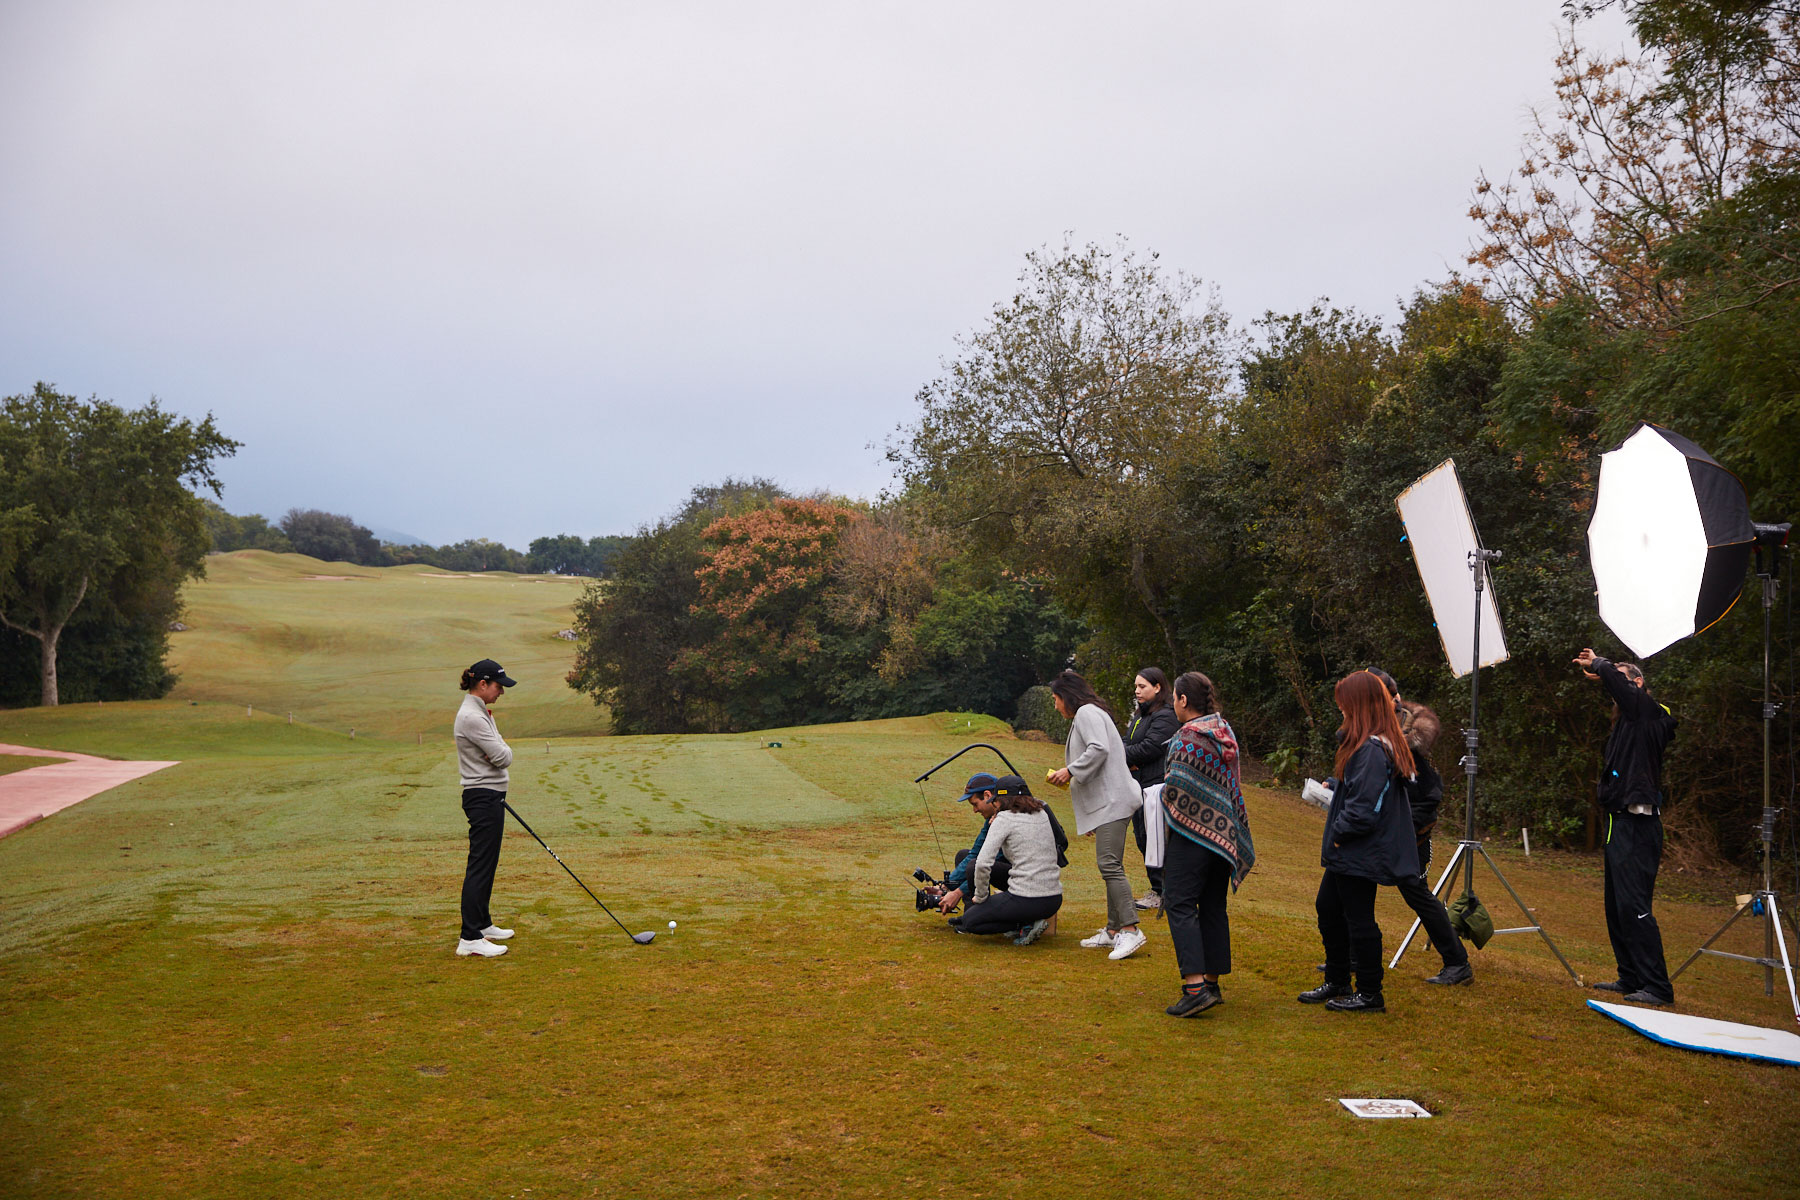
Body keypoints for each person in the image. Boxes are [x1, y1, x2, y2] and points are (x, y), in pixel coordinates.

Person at [1300, 670, 1418, 1013]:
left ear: (1360, 705)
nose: (1341, 709)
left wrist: (1339, 835)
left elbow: (1364, 809)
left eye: (1345, 703)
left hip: (1359, 848)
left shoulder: (1372, 750)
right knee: (1328, 908)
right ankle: (1338, 978)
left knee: (1359, 919)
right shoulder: (1364, 745)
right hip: (1351, 848)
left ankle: (1370, 992)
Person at [1576, 647, 1679, 1005]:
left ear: (1638, 683)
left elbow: (1628, 694)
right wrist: (1607, 676)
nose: (1615, 689)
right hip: (1617, 821)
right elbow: (1621, 693)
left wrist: (1601, 665)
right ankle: (1631, 977)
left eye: (1622, 680)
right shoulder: (1628, 721)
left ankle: (1657, 987)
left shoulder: (1650, 713)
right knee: (1617, 906)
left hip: (1639, 825)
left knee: (1635, 906)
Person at [1157, 671, 1255, 1017]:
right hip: (1224, 834)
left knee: (1180, 903)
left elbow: (1178, 787)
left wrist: (1160, 795)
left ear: (1184, 700)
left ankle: (1195, 988)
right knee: (1213, 905)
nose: (1173, 703)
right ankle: (1211, 983)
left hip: (1191, 833)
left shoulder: (1188, 737)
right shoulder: (1223, 731)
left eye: (1174, 698)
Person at [1368, 667, 1472, 987]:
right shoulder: (1375, 731)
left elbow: (1429, 793)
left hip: (1410, 829)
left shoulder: (1410, 737)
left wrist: (1408, 830)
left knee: (1417, 894)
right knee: (1354, 884)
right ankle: (1352, 957)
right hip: (1383, 826)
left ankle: (1457, 963)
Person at [1046, 670, 1147, 960]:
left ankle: (1130, 930)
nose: (1055, 705)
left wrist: (1070, 770)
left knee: (1109, 865)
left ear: (1067, 696)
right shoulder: (1091, 713)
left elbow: (1098, 749)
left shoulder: (1086, 713)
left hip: (1115, 802)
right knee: (1110, 864)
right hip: (1109, 804)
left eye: (1055, 699)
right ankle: (1113, 931)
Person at [948, 775, 1065, 944]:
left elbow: (982, 864)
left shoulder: (1004, 819)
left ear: (1002, 800)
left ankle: (1023, 924)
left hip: (1026, 898)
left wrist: (980, 899)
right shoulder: (1042, 814)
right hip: (1054, 899)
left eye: (996, 801)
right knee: (971, 867)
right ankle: (1026, 920)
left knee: (970, 922)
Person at [454, 658, 518, 958]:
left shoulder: (480, 712)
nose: (501, 692)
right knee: (480, 865)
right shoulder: (472, 717)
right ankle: (469, 937)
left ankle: (481, 924)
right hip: (482, 796)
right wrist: (500, 751)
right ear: (482, 684)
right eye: (498, 686)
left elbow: (500, 751)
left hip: (490, 795)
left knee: (488, 863)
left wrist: (500, 750)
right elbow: (503, 756)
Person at [1124, 668, 1179, 912]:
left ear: (1157, 687)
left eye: (1142, 686)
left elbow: (1151, 747)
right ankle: (1159, 890)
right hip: (1138, 787)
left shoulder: (1165, 715)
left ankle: (1166, 892)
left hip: (1156, 787)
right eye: (1136, 686)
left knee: (1155, 840)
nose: (1137, 691)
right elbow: (1126, 741)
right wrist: (1126, 755)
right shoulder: (1140, 716)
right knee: (1143, 838)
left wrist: (1123, 755)